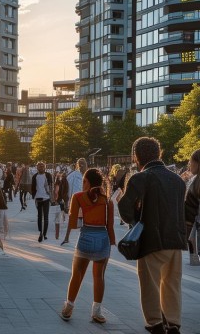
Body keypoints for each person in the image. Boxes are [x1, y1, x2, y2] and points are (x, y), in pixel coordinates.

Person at [118, 137, 187, 334]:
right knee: (172, 284)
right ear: (160, 153)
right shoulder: (177, 180)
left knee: (150, 284)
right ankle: (173, 323)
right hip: (175, 241)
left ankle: (155, 323)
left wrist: (136, 220)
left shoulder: (141, 177)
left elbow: (124, 208)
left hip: (151, 240)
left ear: (136, 156)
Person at [60, 168, 115, 324]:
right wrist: (111, 243)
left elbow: (73, 224)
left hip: (85, 238)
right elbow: (110, 226)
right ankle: (97, 312)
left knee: (77, 274)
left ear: (88, 182)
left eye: (84, 180)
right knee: (99, 277)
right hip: (102, 239)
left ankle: (68, 307)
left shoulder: (78, 197)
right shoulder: (108, 200)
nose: (82, 183)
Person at [185, 149, 200, 266]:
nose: (189, 165)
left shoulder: (197, 182)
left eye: (191, 162)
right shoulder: (195, 180)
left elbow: (190, 209)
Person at [31, 162, 53, 242]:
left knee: (44, 217)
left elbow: (51, 186)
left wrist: (52, 197)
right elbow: (33, 187)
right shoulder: (35, 176)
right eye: (39, 167)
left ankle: (44, 234)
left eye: (42, 166)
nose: (41, 168)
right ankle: (41, 233)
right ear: (37, 168)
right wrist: (34, 196)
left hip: (46, 198)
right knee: (41, 216)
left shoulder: (48, 175)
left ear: (45, 167)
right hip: (39, 198)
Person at [52, 171, 69, 239]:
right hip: (64, 197)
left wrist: (55, 199)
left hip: (59, 198)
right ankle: (64, 220)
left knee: (58, 211)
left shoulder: (58, 182)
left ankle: (58, 225)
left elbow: (56, 191)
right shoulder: (66, 181)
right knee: (63, 210)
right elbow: (67, 189)